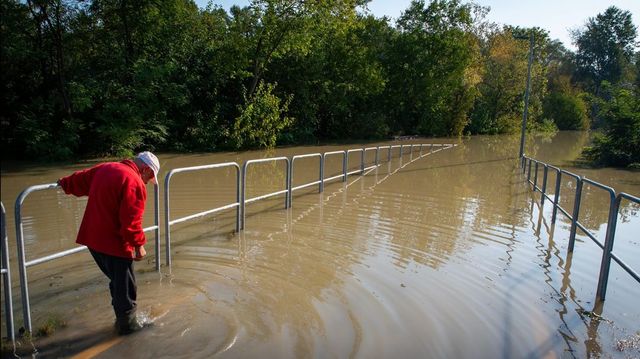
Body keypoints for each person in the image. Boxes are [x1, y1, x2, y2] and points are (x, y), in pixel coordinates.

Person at [57, 151, 160, 335]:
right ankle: (128, 328)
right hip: (113, 245)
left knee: (117, 280)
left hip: (92, 241)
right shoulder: (134, 181)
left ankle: (120, 318)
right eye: (149, 177)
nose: (147, 182)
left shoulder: (106, 167)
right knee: (126, 287)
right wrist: (138, 245)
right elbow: (131, 221)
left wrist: (63, 183)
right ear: (144, 169)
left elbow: (79, 181)